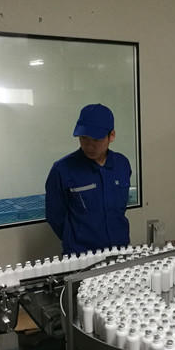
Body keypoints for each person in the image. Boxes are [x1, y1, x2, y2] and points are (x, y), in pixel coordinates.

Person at [45, 104, 131, 254]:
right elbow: (55, 216)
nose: (89, 146)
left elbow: (120, 209)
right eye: (84, 138)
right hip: (81, 256)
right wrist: (75, 240)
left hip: (120, 251)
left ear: (111, 136)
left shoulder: (122, 165)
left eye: (96, 139)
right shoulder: (62, 170)